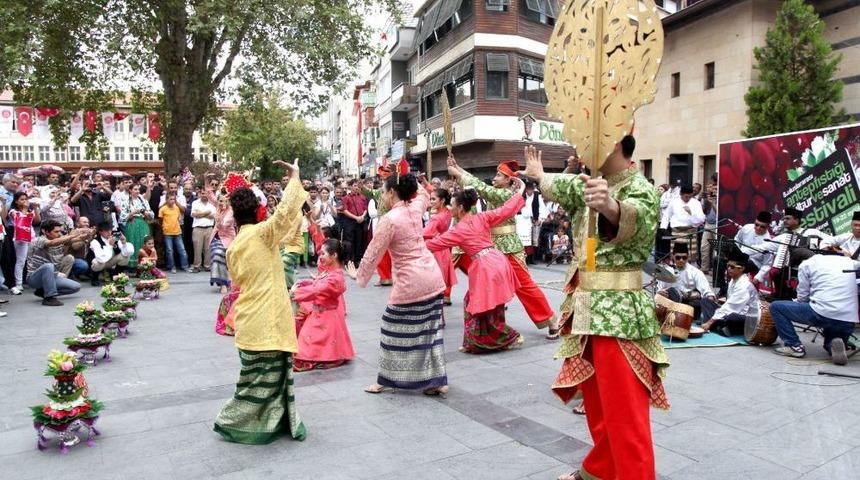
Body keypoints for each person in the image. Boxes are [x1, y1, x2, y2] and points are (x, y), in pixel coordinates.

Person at [523, 138, 669, 480]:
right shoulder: (583, 183)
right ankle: (601, 470)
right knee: (599, 406)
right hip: (584, 308)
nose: (580, 149)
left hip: (619, 315)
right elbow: (558, 185)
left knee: (625, 414)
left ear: (614, 141)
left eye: (588, 139)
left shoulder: (640, 188)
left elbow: (636, 220)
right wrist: (539, 174)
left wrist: (611, 208)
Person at [213, 159, 307, 445]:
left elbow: (238, 279)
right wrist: (295, 177)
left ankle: (267, 421)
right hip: (270, 318)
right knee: (268, 380)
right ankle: (230, 420)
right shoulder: (264, 234)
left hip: (248, 318)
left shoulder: (234, 245)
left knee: (251, 379)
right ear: (258, 210)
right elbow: (288, 213)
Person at [345, 167, 448, 396]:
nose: (382, 196)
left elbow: (373, 251)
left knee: (392, 329)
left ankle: (386, 379)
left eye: (383, 191)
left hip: (411, 281)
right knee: (430, 331)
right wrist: (405, 173)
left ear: (392, 192)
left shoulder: (390, 218)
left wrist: (358, 275)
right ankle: (436, 380)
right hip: (432, 275)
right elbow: (421, 192)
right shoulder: (417, 207)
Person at [448, 157, 558, 338]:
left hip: (509, 248)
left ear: (509, 180)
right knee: (488, 286)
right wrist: (458, 168)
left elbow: (482, 189)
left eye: (500, 175)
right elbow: (480, 190)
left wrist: (459, 173)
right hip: (492, 250)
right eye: (497, 174)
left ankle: (551, 319)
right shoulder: (497, 191)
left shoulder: (507, 195)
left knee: (525, 287)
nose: (495, 177)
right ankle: (491, 330)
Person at [426, 177, 525, 354]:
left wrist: (407, 243)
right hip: (497, 260)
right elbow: (506, 210)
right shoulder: (482, 217)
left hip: (486, 267)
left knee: (477, 304)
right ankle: (475, 342)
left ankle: (506, 336)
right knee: (488, 304)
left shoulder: (459, 230)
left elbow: (434, 244)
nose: (450, 208)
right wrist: (520, 191)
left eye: (453, 205)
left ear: (461, 208)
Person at [770, 249, 858, 365]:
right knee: (832, 337)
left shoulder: (806, 265)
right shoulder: (847, 261)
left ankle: (794, 346)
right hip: (848, 318)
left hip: (822, 313)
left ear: (799, 262)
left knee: (776, 307)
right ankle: (832, 346)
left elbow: (802, 297)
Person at [290, 238, 355, 372]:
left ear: (334, 255)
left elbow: (317, 289)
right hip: (318, 314)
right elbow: (317, 284)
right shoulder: (329, 271)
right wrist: (305, 284)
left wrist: (296, 293)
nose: (320, 257)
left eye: (323, 254)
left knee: (306, 347)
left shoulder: (336, 278)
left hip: (326, 317)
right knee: (304, 342)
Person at [700, 250, 760, 337]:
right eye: (728, 266)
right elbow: (728, 304)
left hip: (744, 316)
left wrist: (710, 322)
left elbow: (731, 307)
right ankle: (720, 327)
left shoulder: (744, 285)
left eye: (732, 267)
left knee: (731, 317)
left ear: (742, 268)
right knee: (705, 301)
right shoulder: (733, 280)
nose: (728, 269)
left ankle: (714, 325)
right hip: (731, 310)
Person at [26, 220, 84, 306]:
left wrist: (88, 234)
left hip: (52, 276)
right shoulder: (38, 240)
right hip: (34, 278)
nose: (59, 234)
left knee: (76, 287)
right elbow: (52, 243)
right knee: (48, 266)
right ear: (45, 231)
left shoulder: (58, 240)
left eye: (60, 231)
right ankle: (49, 298)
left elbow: (77, 239)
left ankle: (43, 292)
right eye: (56, 231)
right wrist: (71, 236)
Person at [657, 242, 718, 321]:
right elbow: (659, 290)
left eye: (684, 257)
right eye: (678, 257)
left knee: (699, 302)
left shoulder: (696, 272)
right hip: (671, 305)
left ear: (688, 257)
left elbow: (707, 292)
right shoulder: (666, 272)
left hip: (689, 305)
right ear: (672, 256)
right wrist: (660, 293)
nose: (681, 260)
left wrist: (710, 298)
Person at [423, 188, 457, 305]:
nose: (431, 201)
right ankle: (445, 296)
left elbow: (425, 233)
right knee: (444, 275)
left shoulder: (437, 217)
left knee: (435, 278)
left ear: (442, 200)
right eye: (430, 199)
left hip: (435, 248)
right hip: (444, 248)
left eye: (433, 199)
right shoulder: (448, 212)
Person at [9, 191, 41, 294]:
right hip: (20, 238)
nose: (24, 201)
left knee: (33, 259)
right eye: (22, 199)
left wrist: (35, 208)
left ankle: (33, 280)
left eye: (25, 199)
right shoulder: (13, 211)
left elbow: (37, 221)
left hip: (31, 236)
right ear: (16, 201)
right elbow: (20, 220)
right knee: (21, 261)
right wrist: (25, 208)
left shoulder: (30, 210)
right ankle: (18, 283)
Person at [667, 184, 706, 264]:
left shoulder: (695, 203)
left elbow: (701, 219)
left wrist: (691, 213)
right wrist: (663, 228)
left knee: (689, 256)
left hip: (690, 231)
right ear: (681, 194)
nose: (688, 199)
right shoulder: (674, 202)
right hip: (676, 231)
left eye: (690, 196)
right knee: (676, 255)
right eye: (686, 197)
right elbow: (667, 216)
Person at [89, 221, 134, 285]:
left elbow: (128, 252)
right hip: (100, 263)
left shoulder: (115, 238)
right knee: (97, 263)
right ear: (100, 232)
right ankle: (95, 278)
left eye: (110, 230)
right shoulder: (95, 241)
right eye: (106, 231)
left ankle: (116, 276)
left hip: (111, 262)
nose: (109, 232)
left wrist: (124, 243)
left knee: (126, 256)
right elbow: (101, 258)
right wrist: (110, 246)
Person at [121, 184, 153, 269]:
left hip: (142, 223)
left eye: (138, 190)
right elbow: (122, 217)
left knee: (143, 242)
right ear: (130, 190)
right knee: (132, 242)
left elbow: (151, 214)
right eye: (135, 189)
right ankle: (132, 266)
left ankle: (144, 265)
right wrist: (132, 213)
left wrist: (147, 213)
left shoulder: (143, 200)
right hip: (132, 223)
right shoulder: (125, 201)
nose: (137, 191)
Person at [158, 193, 189, 273]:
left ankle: (185, 266)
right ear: (166, 200)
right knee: (169, 250)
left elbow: (178, 218)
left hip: (177, 232)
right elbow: (160, 220)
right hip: (167, 232)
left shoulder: (177, 208)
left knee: (182, 249)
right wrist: (164, 228)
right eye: (171, 199)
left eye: (174, 199)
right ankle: (172, 267)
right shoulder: (163, 209)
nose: (173, 201)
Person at [210, 195, 235, 293]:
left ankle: (229, 282)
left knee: (228, 260)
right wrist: (207, 180)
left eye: (226, 201)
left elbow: (225, 224)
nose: (223, 203)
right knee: (217, 255)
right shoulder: (217, 207)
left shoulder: (231, 211)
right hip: (216, 237)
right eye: (220, 201)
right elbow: (209, 195)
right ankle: (222, 283)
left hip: (229, 238)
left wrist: (219, 220)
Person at [340, 179, 368, 265]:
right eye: (355, 185)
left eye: (358, 186)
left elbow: (365, 209)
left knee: (359, 241)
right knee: (349, 242)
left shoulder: (363, 197)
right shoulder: (345, 198)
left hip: (360, 221)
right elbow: (345, 210)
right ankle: (349, 260)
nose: (357, 187)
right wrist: (356, 217)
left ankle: (357, 260)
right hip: (350, 222)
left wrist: (362, 217)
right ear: (350, 186)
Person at [190, 189, 216, 272]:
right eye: (202, 193)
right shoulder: (195, 203)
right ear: (199, 194)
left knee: (208, 248)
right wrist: (207, 213)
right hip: (198, 228)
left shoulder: (212, 204)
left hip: (209, 228)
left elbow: (213, 216)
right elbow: (194, 214)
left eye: (206, 193)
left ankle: (207, 265)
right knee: (197, 248)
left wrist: (200, 213)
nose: (204, 195)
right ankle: (197, 266)